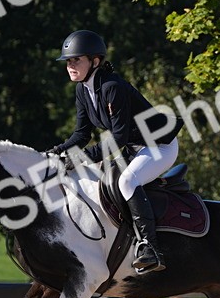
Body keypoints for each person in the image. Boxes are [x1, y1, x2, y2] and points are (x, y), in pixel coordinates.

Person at [46, 29, 182, 274]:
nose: (70, 65)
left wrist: (80, 159)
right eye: (68, 61)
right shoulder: (82, 90)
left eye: (76, 59)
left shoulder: (113, 86)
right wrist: (54, 153)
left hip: (159, 146)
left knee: (128, 181)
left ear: (95, 61)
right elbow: (81, 135)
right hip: (134, 147)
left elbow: (117, 137)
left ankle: (150, 248)